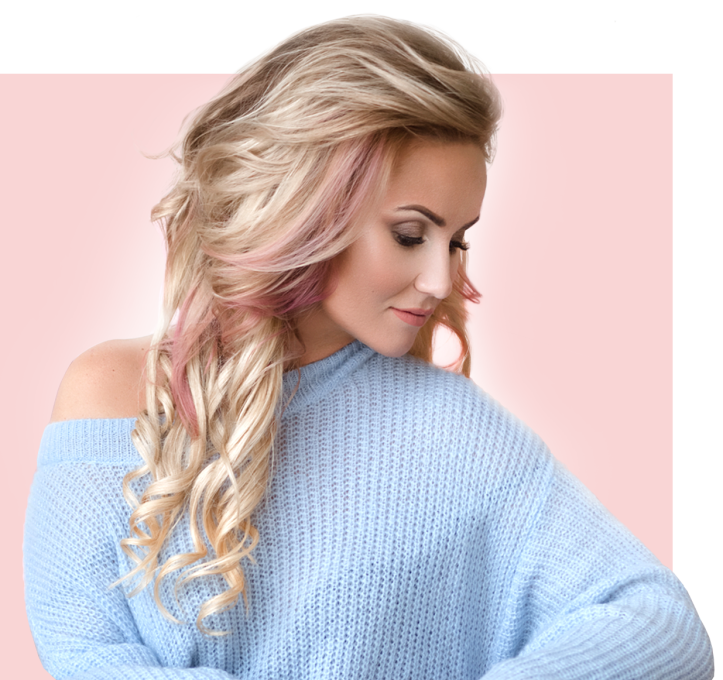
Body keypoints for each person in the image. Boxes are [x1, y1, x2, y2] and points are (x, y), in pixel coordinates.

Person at [24, 12, 713, 680]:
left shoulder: (456, 433)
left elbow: (660, 624)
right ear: (306, 208)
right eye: (411, 235)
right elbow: (86, 651)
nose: (440, 278)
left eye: (458, 239)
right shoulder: (111, 392)